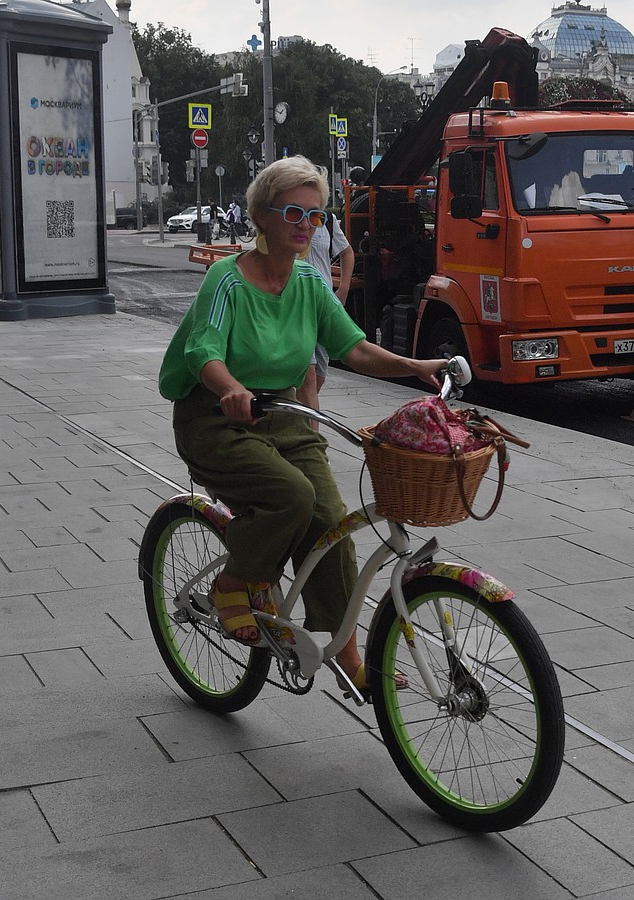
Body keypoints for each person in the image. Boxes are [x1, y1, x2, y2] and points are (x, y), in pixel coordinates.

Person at [158, 155, 444, 692]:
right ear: (261, 216)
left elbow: (353, 348)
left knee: (333, 524)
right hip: (216, 417)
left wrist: (415, 367)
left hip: (284, 413)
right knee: (289, 495)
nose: (305, 225)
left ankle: (345, 653)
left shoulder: (310, 282)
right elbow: (203, 351)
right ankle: (236, 581)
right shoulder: (229, 279)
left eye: (315, 216)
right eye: (293, 212)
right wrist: (231, 389)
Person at [296, 202, 356, 416]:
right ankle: (310, 439)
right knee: (309, 376)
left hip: (323, 306)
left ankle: (294, 414)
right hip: (295, 306)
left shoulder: (325, 220)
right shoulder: (288, 219)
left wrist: (344, 288)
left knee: (319, 375)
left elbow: (346, 252)